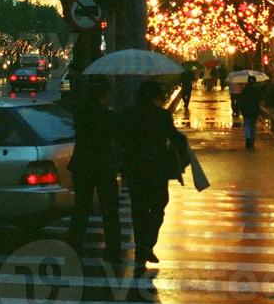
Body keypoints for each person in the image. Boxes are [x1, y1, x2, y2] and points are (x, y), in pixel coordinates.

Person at [119, 80, 185, 272]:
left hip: (135, 169)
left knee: (138, 210)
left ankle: (142, 248)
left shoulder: (129, 114)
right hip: (157, 168)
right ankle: (148, 243)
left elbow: (121, 138)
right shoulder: (162, 116)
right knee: (159, 206)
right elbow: (174, 137)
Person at [66, 78, 122, 263]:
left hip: (82, 164)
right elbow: (116, 134)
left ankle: (74, 246)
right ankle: (113, 250)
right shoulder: (107, 115)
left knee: (81, 208)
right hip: (103, 165)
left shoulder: (81, 114)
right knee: (110, 210)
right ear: (105, 94)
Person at [238, 75, 262, 150]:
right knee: (253, 125)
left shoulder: (245, 89)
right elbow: (259, 99)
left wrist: (241, 109)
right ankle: (252, 139)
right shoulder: (257, 90)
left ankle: (248, 138)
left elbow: (241, 100)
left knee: (247, 125)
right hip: (254, 110)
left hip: (246, 110)